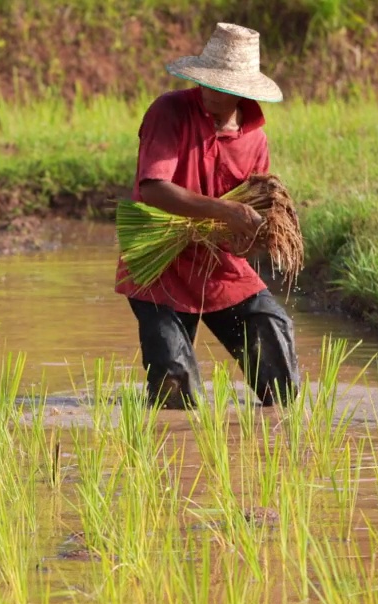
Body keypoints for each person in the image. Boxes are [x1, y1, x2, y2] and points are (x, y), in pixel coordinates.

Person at [115, 22, 300, 410]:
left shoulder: (254, 139)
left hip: (217, 265)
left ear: (243, 90)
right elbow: (153, 188)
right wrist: (227, 211)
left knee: (274, 345)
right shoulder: (170, 111)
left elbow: (245, 230)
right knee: (176, 390)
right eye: (210, 81)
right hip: (159, 263)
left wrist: (248, 236)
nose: (214, 91)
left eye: (225, 84)